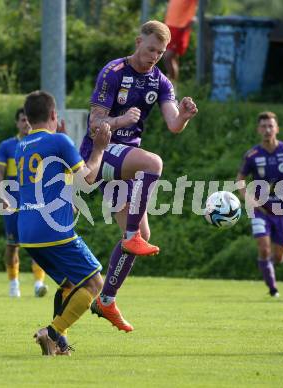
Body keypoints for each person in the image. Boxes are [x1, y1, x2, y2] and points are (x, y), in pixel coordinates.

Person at [79, 20, 198, 332]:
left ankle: (106, 300)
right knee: (153, 163)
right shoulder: (114, 72)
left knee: (142, 235)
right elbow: (95, 124)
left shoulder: (161, 81)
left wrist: (183, 117)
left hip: (125, 161)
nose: (154, 56)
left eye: (159, 52)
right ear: (137, 42)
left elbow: (172, 124)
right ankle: (131, 237)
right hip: (101, 151)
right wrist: (120, 121)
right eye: (150, 50)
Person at [15, 90, 111, 356]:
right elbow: (87, 180)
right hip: (53, 230)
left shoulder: (20, 146)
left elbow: (53, 178)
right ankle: (53, 331)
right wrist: (99, 148)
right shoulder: (59, 141)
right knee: (94, 284)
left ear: (28, 118)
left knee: (69, 285)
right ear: (54, 115)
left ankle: (61, 344)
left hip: (27, 231)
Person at [236, 111, 283, 298]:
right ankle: (273, 289)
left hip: (282, 209)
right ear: (258, 130)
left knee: (279, 256)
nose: (267, 130)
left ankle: (267, 266)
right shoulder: (252, 155)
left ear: (277, 128)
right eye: (264, 126)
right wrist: (248, 198)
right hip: (261, 209)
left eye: (270, 126)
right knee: (264, 247)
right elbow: (240, 180)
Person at [0, 108, 48, 298]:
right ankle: (13, 284)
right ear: (17, 123)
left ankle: (39, 284)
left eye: (30, 119)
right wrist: (2, 197)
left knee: (39, 243)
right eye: (23, 120)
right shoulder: (7, 146)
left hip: (35, 202)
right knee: (12, 245)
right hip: (13, 202)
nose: (27, 123)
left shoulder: (41, 145)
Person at [163, 0, 198, 84]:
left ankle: (171, 86)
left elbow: (202, 4)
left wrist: (195, 17)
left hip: (180, 27)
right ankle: (173, 88)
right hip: (169, 26)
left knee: (167, 57)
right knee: (173, 58)